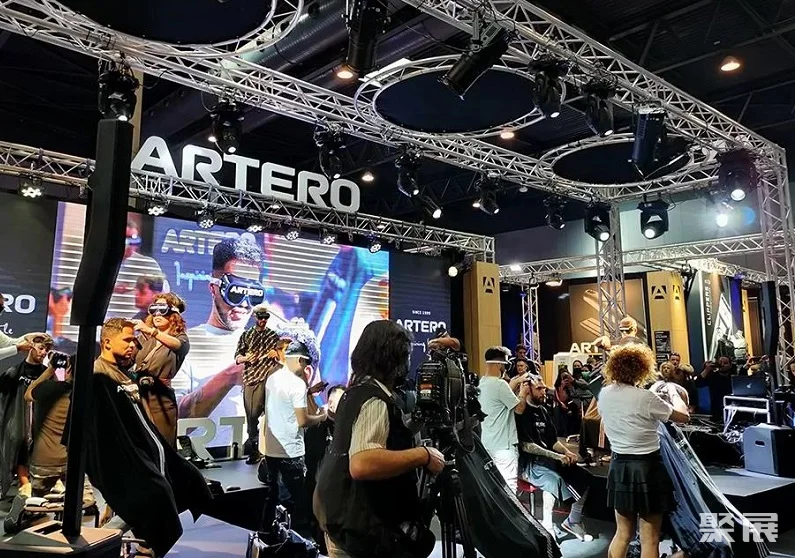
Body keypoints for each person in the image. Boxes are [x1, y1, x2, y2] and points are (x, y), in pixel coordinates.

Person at [77, 318, 211, 557]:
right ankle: (117, 544)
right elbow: (102, 433)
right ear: (107, 343)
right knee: (155, 496)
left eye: (134, 341)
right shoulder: (99, 376)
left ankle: (146, 542)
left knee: (189, 482)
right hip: (126, 460)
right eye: (127, 340)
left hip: (149, 451)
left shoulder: (124, 373)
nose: (133, 346)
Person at [315, 320, 445, 558]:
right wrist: (423, 455)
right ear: (395, 358)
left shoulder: (354, 391)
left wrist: (411, 426)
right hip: (359, 528)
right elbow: (362, 463)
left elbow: (379, 438)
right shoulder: (374, 401)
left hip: (339, 516)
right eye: (406, 354)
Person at [597, 343, 689, 558]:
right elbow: (683, 417)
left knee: (622, 534)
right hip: (648, 468)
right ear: (642, 368)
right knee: (650, 539)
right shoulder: (646, 398)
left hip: (620, 467)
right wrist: (673, 392)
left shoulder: (605, 394)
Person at [174, 236, 266, 446]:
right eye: (235, 292)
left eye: (253, 294)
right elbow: (173, 421)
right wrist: (230, 376)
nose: (244, 304)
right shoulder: (184, 344)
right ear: (213, 288)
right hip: (200, 462)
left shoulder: (264, 344)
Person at [260, 341, 327, 537]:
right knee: (292, 500)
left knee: (273, 496)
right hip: (291, 451)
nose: (306, 368)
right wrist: (321, 417)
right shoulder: (297, 384)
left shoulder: (272, 379)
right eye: (305, 363)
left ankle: (268, 534)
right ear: (299, 360)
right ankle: (291, 540)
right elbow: (303, 421)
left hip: (271, 449)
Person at [518, 376, 592, 540]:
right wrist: (557, 456)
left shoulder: (543, 411)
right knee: (553, 481)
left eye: (544, 388)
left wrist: (566, 452)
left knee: (585, 477)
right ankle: (547, 526)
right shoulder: (522, 412)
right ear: (528, 389)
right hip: (530, 464)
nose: (544, 392)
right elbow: (527, 446)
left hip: (549, 460)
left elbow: (553, 441)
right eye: (539, 388)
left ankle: (573, 521)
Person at [132, 293, 190, 447]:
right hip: (139, 394)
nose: (157, 314)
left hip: (161, 397)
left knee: (164, 442)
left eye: (162, 309)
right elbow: (129, 357)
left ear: (174, 314)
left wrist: (152, 332)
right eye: (154, 309)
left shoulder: (181, 338)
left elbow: (177, 345)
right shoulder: (145, 338)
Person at [0, 334, 51, 499]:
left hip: (39, 423)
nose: (44, 352)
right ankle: (24, 483)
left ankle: (33, 484)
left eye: (47, 350)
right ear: (31, 348)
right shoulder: (14, 372)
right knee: (18, 438)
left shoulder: (47, 374)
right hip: (18, 420)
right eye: (41, 348)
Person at [478, 346, 529, 493]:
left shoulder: (482, 384)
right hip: (504, 447)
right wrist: (523, 392)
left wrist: (514, 383)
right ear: (499, 364)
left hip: (488, 444)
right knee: (509, 489)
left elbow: (500, 398)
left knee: (491, 488)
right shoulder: (500, 385)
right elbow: (519, 409)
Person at [234, 304, 281, 463]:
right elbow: (237, 358)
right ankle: (255, 450)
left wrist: (276, 353)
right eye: (261, 317)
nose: (263, 320)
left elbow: (283, 355)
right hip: (251, 379)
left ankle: (270, 450)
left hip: (269, 379)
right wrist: (246, 358)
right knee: (252, 417)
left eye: (266, 317)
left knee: (272, 415)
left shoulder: (273, 336)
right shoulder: (247, 335)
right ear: (255, 317)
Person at [696, 356, 736, 422]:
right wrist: (707, 370)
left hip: (732, 409)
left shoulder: (733, 377)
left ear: (730, 365)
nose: (722, 365)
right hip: (716, 411)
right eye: (720, 362)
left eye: (725, 363)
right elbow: (698, 383)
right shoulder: (713, 377)